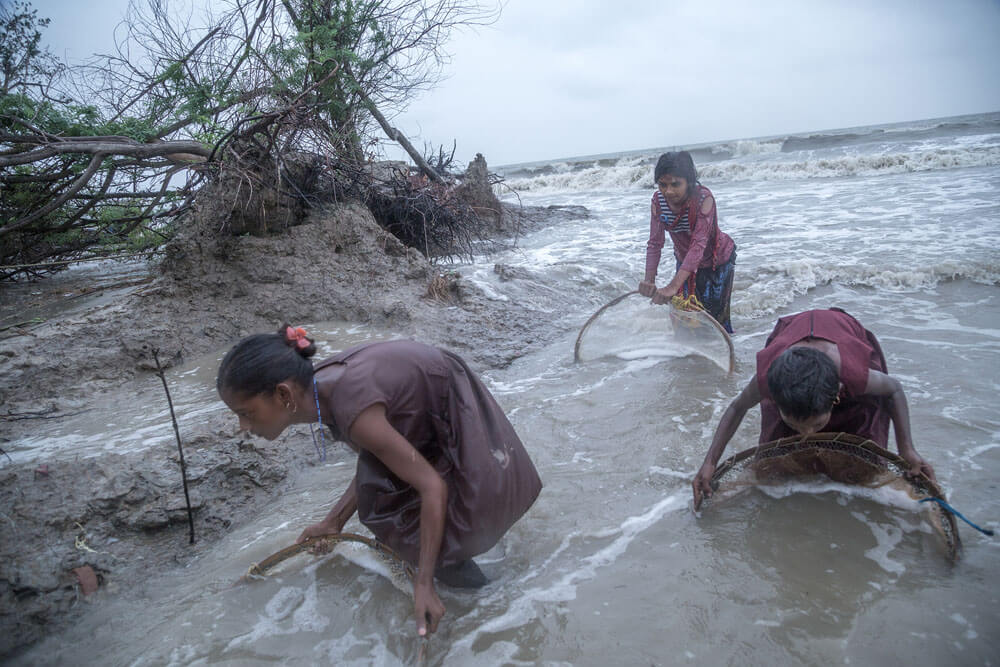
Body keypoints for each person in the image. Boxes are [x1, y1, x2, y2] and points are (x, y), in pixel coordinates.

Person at [216, 326, 543, 636]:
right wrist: (333, 522)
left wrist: (424, 582)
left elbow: (433, 487)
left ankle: (489, 607)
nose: (243, 426)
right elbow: (374, 457)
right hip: (425, 395)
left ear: (283, 394)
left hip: (445, 398)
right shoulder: (319, 390)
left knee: (431, 526)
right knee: (386, 498)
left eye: (246, 413)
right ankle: (479, 588)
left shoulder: (350, 407)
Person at [691, 308, 936, 509]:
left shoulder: (853, 375)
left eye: (818, 424)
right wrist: (710, 461)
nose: (807, 434)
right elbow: (737, 408)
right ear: (775, 401)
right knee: (772, 468)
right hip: (792, 340)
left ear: (835, 397)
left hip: (842, 335)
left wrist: (907, 449)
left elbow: (894, 389)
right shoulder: (767, 380)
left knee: (863, 462)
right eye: (796, 424)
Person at [638, 151, 737, 332]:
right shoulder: (658, 202)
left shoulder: (703, 199)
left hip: (717, 262)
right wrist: (649, 280)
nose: (668, 191)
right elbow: (655, 243)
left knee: (714, 319)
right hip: (685, 262)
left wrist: (672, 286)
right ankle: (687, 358)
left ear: (689, 182)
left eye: (676, 184)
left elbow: (698, 245)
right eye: (662, 184)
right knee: (682, 318)